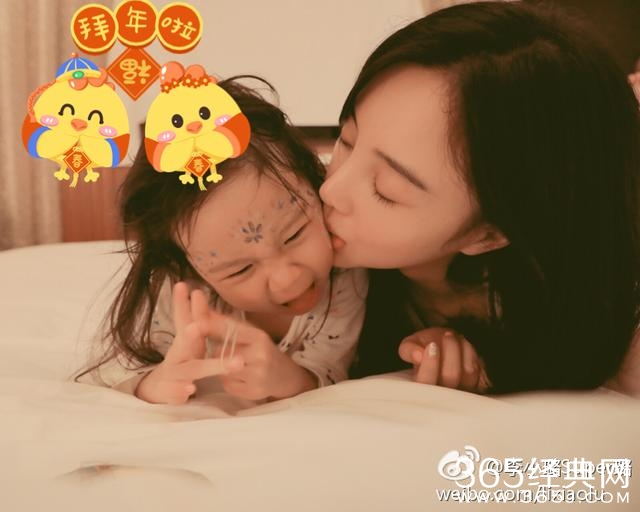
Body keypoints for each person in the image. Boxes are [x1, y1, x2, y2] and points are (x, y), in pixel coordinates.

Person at [319, 1, 640, 394]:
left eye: (386, 191)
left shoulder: (588, 321)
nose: (330, 190)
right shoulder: (296, 216)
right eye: (346, 140)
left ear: (488, 234)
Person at [82, 77, 368, 405]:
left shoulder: (344, 275)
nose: (286, 279)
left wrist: (290, 379)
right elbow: (110, 371)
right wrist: (153, 384)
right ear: (191, 270)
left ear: (317, 187)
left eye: (294, 234)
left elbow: (330, 372)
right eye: (240, 270)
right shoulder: (184, 294)